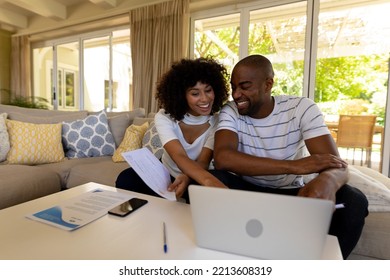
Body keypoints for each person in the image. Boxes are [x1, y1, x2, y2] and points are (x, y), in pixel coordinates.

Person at [211, 54, 368, 259]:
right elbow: (223, 158)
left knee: (354, 200)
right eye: (233, 87)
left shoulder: (301, 108)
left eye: (245, 86)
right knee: (210, 178)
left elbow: (335, 164)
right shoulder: (231, 110)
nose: (236, 94)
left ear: (268, 84)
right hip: (248, 192)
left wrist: (328, 181)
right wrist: (294, 166)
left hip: (293, 195)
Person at [116, 57, 229, 202]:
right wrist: (208, 182)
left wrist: (188, 178)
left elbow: (203, 161)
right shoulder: (164, 117)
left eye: (208, 91)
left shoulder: (218, 121)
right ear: (181, 95)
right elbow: (179, 156)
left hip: (198, 173)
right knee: (126, 179)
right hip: (166, 171)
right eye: (195, 93)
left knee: (205, 189)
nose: (205, 99)